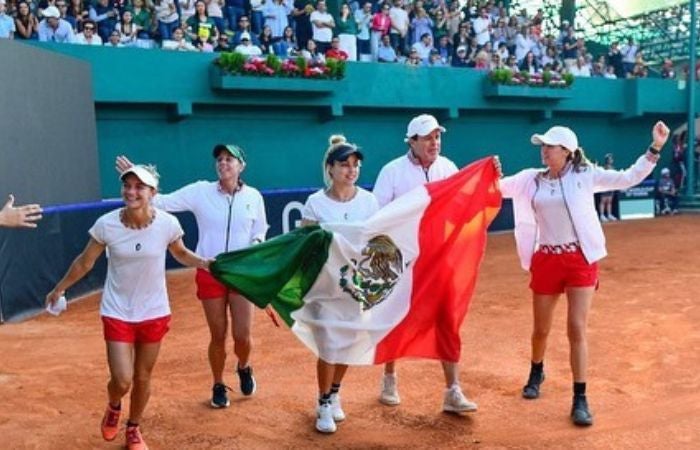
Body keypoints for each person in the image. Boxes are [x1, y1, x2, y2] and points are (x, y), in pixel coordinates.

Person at [498, 121, 670, 426]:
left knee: (576, 328)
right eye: (543, 146)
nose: (544, 150)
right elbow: (498, 188)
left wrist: (655, 147)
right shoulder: (530, 180)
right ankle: (537, 370)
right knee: (541, 330)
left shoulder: (586, 175)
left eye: (550, 146)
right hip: (546, 260)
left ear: (567, 151)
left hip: (580, 260)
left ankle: (580, 398)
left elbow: (628, 177)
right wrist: (490, 173)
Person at [46, 165, 210, 450]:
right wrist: (60, 287)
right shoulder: (106, 224)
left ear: (152, 193)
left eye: (139, 187)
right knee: (122, 380)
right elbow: (85, 262)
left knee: (143, 376)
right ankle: (114, 405)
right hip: (117, 311)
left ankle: (133, 428)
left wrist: (206, 263)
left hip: (155, 311)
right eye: (127, 186)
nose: (131, 192)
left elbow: (181, 253)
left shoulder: (168, 224)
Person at [116, 144, 268, 410]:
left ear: (241, 166)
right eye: (219, 159)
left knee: (242, 336)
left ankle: (243, 366)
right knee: (218, 334)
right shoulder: (200, 191)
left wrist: (254, 245)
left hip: (243, 272)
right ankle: (218, 384)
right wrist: (137, 177)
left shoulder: (254, 196)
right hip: (209, 270)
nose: (223, 163)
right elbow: (161, 201)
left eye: (229, 159)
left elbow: (260, 229)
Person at [372, 113, 478, 413]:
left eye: (438, 136)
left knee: (447, 318)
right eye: (428, 137)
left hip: (440, 258)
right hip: (402, 259)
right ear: (413, 141)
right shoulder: (392, 171)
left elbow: (464, 202)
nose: (435, 142)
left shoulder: (448, 167)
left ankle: (452, 390)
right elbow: (378, 214)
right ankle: (389, 377)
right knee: (395, 317)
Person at [300, 135, 379, 434]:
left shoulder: (370, 201)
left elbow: (377, 241)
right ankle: (323, 403)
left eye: (355, 165)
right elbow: (304, 244)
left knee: (347, 344)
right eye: (344, 165)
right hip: (324, 285)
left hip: (355, 286)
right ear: (330, 168)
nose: (351, 170)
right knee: (328, 346)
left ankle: (334, 392)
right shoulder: (315, 203)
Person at [597, 153, 616, 222]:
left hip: (611, 187)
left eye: (611, 159)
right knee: (603, 201)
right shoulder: (604, 168)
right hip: (605, 187)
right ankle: (602, 215)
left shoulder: (613, 168)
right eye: (610, 159)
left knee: (609, 201)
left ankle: (609, 215)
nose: (612, 160)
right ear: (607, 160)